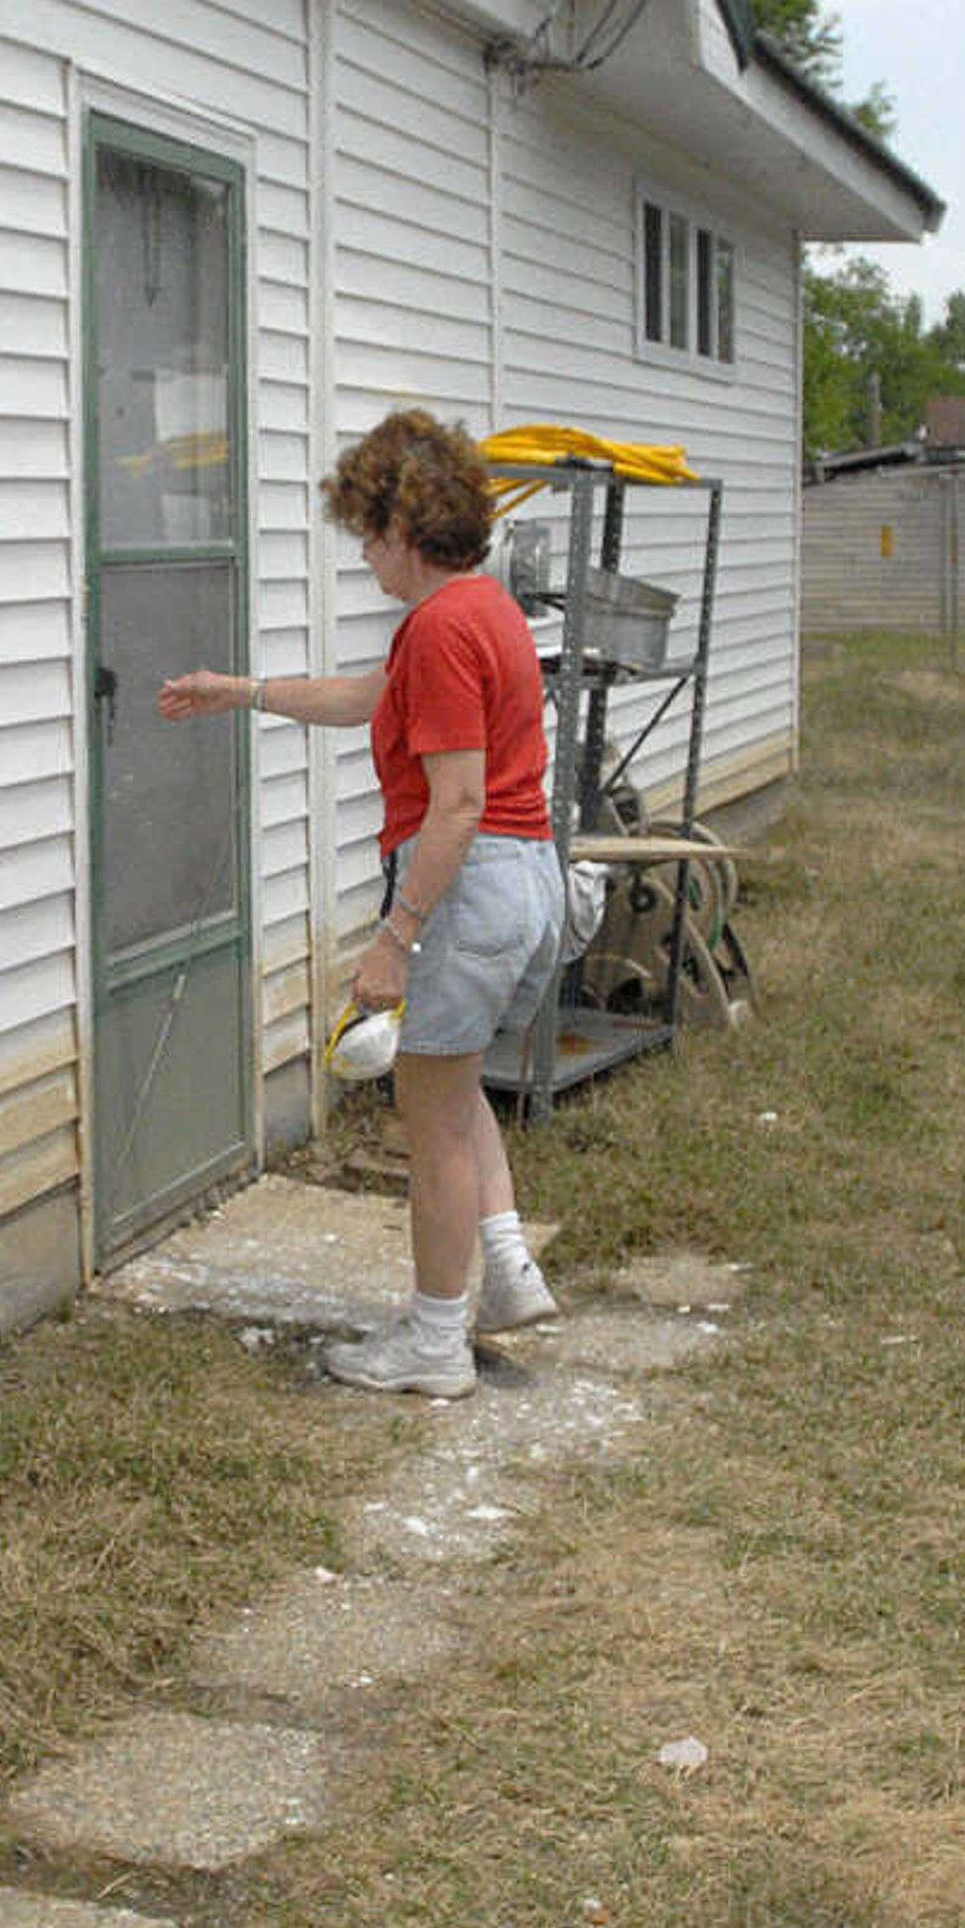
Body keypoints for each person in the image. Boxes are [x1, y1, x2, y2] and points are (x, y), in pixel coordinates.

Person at [161, 406, 568, 1398]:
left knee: (427, 1118)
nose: (367, 558)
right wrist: (243, 691)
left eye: (368, 537)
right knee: (453, 1079)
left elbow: (457, 804)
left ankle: (434, 1342)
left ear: (401, 526)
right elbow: (373, 700)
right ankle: (508, 1266)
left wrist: (396, 938)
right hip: (530, 878)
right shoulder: (484, 610)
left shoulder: (437, 625)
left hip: (467, 889)